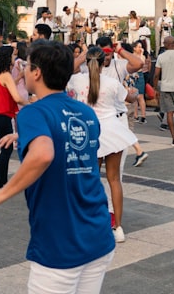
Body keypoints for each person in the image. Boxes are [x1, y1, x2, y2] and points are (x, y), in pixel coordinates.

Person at [0, 40, 116, 293]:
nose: (24, 72)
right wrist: (21, 136)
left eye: (27, 67)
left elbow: (42, 155)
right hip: (98, 235)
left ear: (37, 72)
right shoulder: (86, 114)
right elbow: (67, 143)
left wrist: (0, 194)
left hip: (60, 242)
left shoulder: (33, 113)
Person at [67, 46, 139, 244]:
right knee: (114, 180)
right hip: (113, 131)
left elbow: (64, 71)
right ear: (102, 62)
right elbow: (128, 98)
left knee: (90, 180)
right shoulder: (112, 82)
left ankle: (88, 223)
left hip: (90, 133)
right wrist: (134, 93)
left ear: (86, 61)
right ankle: (118, 227)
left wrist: (80, 56)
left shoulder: (76, 80)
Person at [0, 45, 23, 187]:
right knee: (6, 150)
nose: (15, 58)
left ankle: (1, 181)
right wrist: (32, 103)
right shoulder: (6, 75)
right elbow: (17, 97)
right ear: (8, 58)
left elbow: (8, 86)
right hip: (1, 116)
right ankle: (0, 181)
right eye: (13, 56)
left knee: (5, 149)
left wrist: (19, 76)